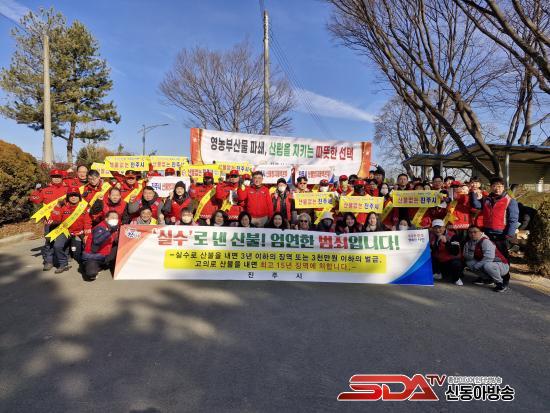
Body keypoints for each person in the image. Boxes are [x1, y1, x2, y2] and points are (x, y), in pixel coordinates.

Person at [470, 176, 519, 282]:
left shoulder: (510, 200)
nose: (497, 188)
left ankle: (505, 278)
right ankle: (488, 277)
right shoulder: (487, 199)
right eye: (494, 186)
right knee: (486, 255)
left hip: (501, 233)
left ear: (504, 187)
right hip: (487, 232)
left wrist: (508, 235)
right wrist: (474, 193)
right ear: (491, 187)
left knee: (502, 257)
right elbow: (477, 206)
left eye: (500, 186)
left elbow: (513, 219)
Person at [30, 169, 69, 271]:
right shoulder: (45, 190)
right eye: (54, 177)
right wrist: (36, 191)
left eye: (58, 177)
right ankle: (48, 261)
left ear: (62, 178)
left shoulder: (67, 189)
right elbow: (35, 200)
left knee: (64, 241)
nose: (56, 179)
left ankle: (64, 260)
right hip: (49, 221)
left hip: (64, 220)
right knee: (49, 241)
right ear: (51, 178)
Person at [49, 187, 92, 274]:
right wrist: (57, 206)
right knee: (57, 246)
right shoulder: (62, 206)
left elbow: (87, 221)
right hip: (66, 230)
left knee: (88, 244)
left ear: (79, 197)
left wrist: (87, 234)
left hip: (81, 231)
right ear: (67, 197)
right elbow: (55, 219)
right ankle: (63, 264)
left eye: (75, 195)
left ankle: (86, 263)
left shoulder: (84, 206)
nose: (73, 197)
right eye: (71, 196)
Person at [463, 225, 510, 292]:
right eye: (470, 232)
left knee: (487, 265)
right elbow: (466, 256)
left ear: (480, 232)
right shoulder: (468, 243)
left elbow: (489, 258)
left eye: (475, 232)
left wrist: (476, 266)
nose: (472, 234)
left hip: (501, 265)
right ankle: (487, 279)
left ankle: (500, 283)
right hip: (487, 264)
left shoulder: (486, 241)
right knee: (469, 262)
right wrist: (471, 251)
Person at [82, 211, 120, 281]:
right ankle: (90, 265)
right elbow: (97, 241)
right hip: (93, 255)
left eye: (116, 218)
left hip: (104, 253)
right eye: (112, 217)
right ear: (106, 219)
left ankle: (102, 265)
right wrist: (110, 232)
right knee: (91, 273)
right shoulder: (100, 227)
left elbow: (115, 240)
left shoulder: (113, 227)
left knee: (121, 248)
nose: (115, 219)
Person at [429, 219, 463, 285]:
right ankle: (438, 273)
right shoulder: (431, 235)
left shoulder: (453, 236)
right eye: (435, 228)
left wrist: (446, 242)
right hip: (439, 260)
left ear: (444, 228)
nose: (437, 230)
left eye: (440, 227)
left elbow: (455, 252)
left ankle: (456, 278)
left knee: (456, 263)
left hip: (450, 261)